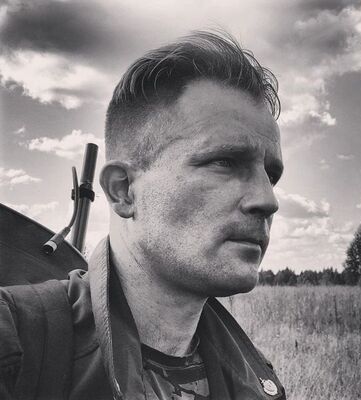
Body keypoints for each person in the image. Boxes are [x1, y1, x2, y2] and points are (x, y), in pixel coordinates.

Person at [0, 31, 286, 400]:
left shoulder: (255, 380)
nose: (268, 200)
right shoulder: (15, 343)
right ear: (123, 190)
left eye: (271, 175)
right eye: (225, 162)